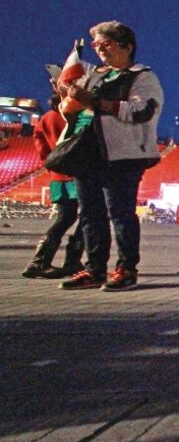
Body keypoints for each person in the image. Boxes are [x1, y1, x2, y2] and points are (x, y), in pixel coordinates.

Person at [58, 21, 163, 291]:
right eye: (96, 45)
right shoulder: (95, 75)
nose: (99, 49)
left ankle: (126, 269)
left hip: (123, 155)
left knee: (121, 213)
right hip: (88, 152)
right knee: (90, 214)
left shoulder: (142, 76)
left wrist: (95, 101)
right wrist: (67, 97)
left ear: (126, 46)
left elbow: (142, 111)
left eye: (106, 43)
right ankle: (95, 269)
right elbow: (74, 111)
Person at [22, 90, 85, 278]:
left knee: (64, 218)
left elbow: (40, 147)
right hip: (78, 175)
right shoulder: (77, 117)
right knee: (89, 217)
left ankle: (40, 261)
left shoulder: (46, 118)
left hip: (57, 176)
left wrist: (52, 169)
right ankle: (72, 260)